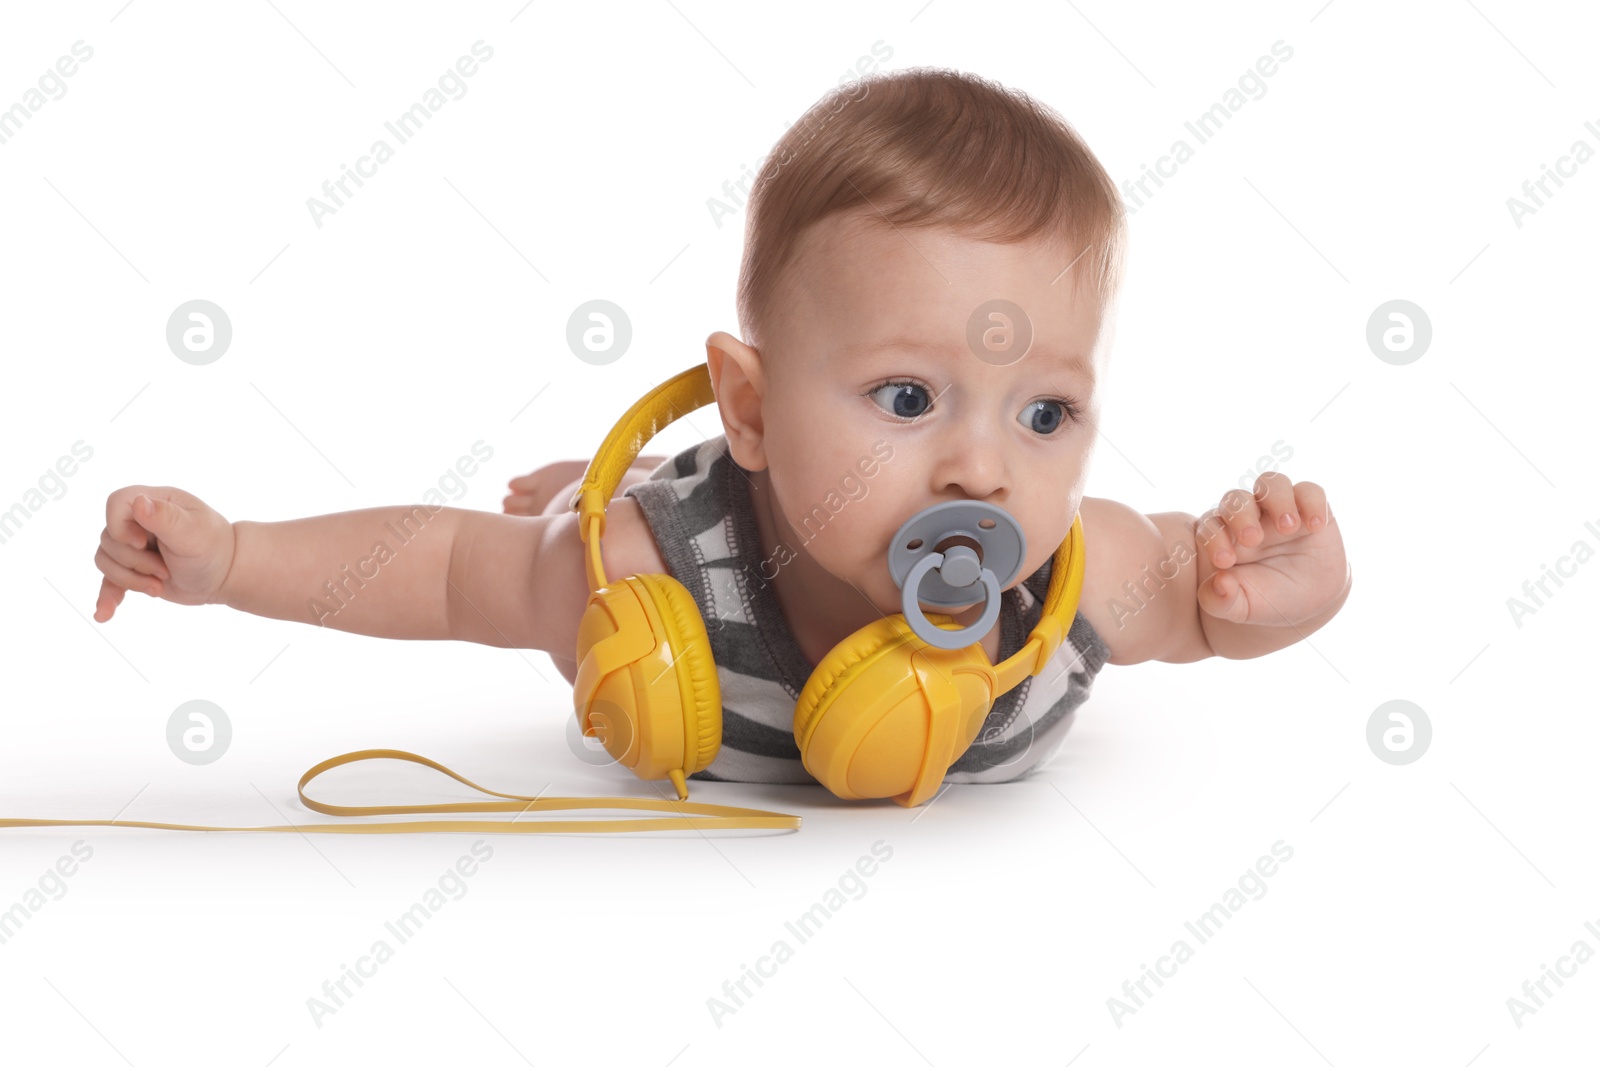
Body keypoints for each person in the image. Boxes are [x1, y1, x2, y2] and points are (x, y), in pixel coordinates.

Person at [92, 67, 1350, 790]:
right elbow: (439, 568)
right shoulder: (656, 573)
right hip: (697, 548)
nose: (983, 468)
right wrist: (237, 557)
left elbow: (1205, 603)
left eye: (1045, 413)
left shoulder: (1077, 572)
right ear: (749, 404)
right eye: (906, 399)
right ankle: (608, 479)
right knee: (546, 555)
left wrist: (1278, 597)